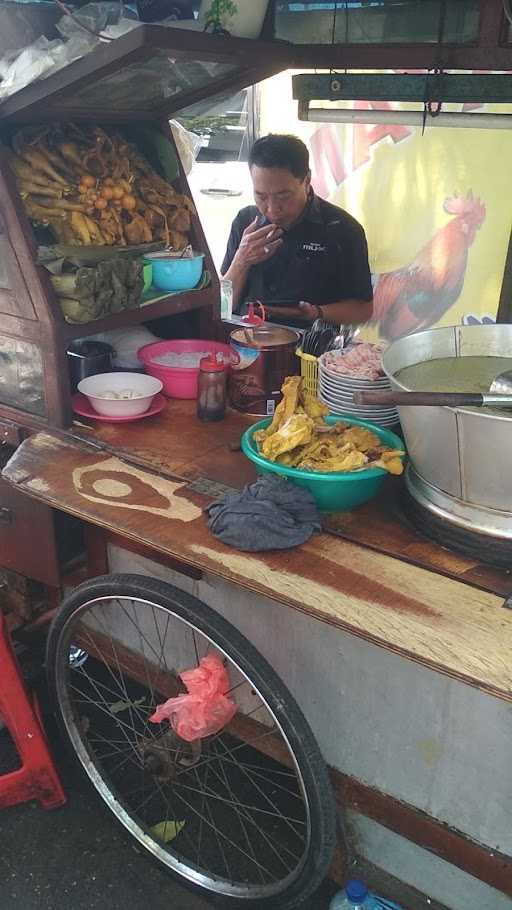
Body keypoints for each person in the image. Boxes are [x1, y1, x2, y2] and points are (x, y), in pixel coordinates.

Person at [221, 133, 373, 326]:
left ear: (307, 180)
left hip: (309, 348)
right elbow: (222, 306)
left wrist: (317, 312)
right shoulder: (245, 222)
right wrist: (241, 260)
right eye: (260, 196)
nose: (272, 208)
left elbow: (363, 310)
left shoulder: (342, 229)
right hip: (246, 341)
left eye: (283, 196)